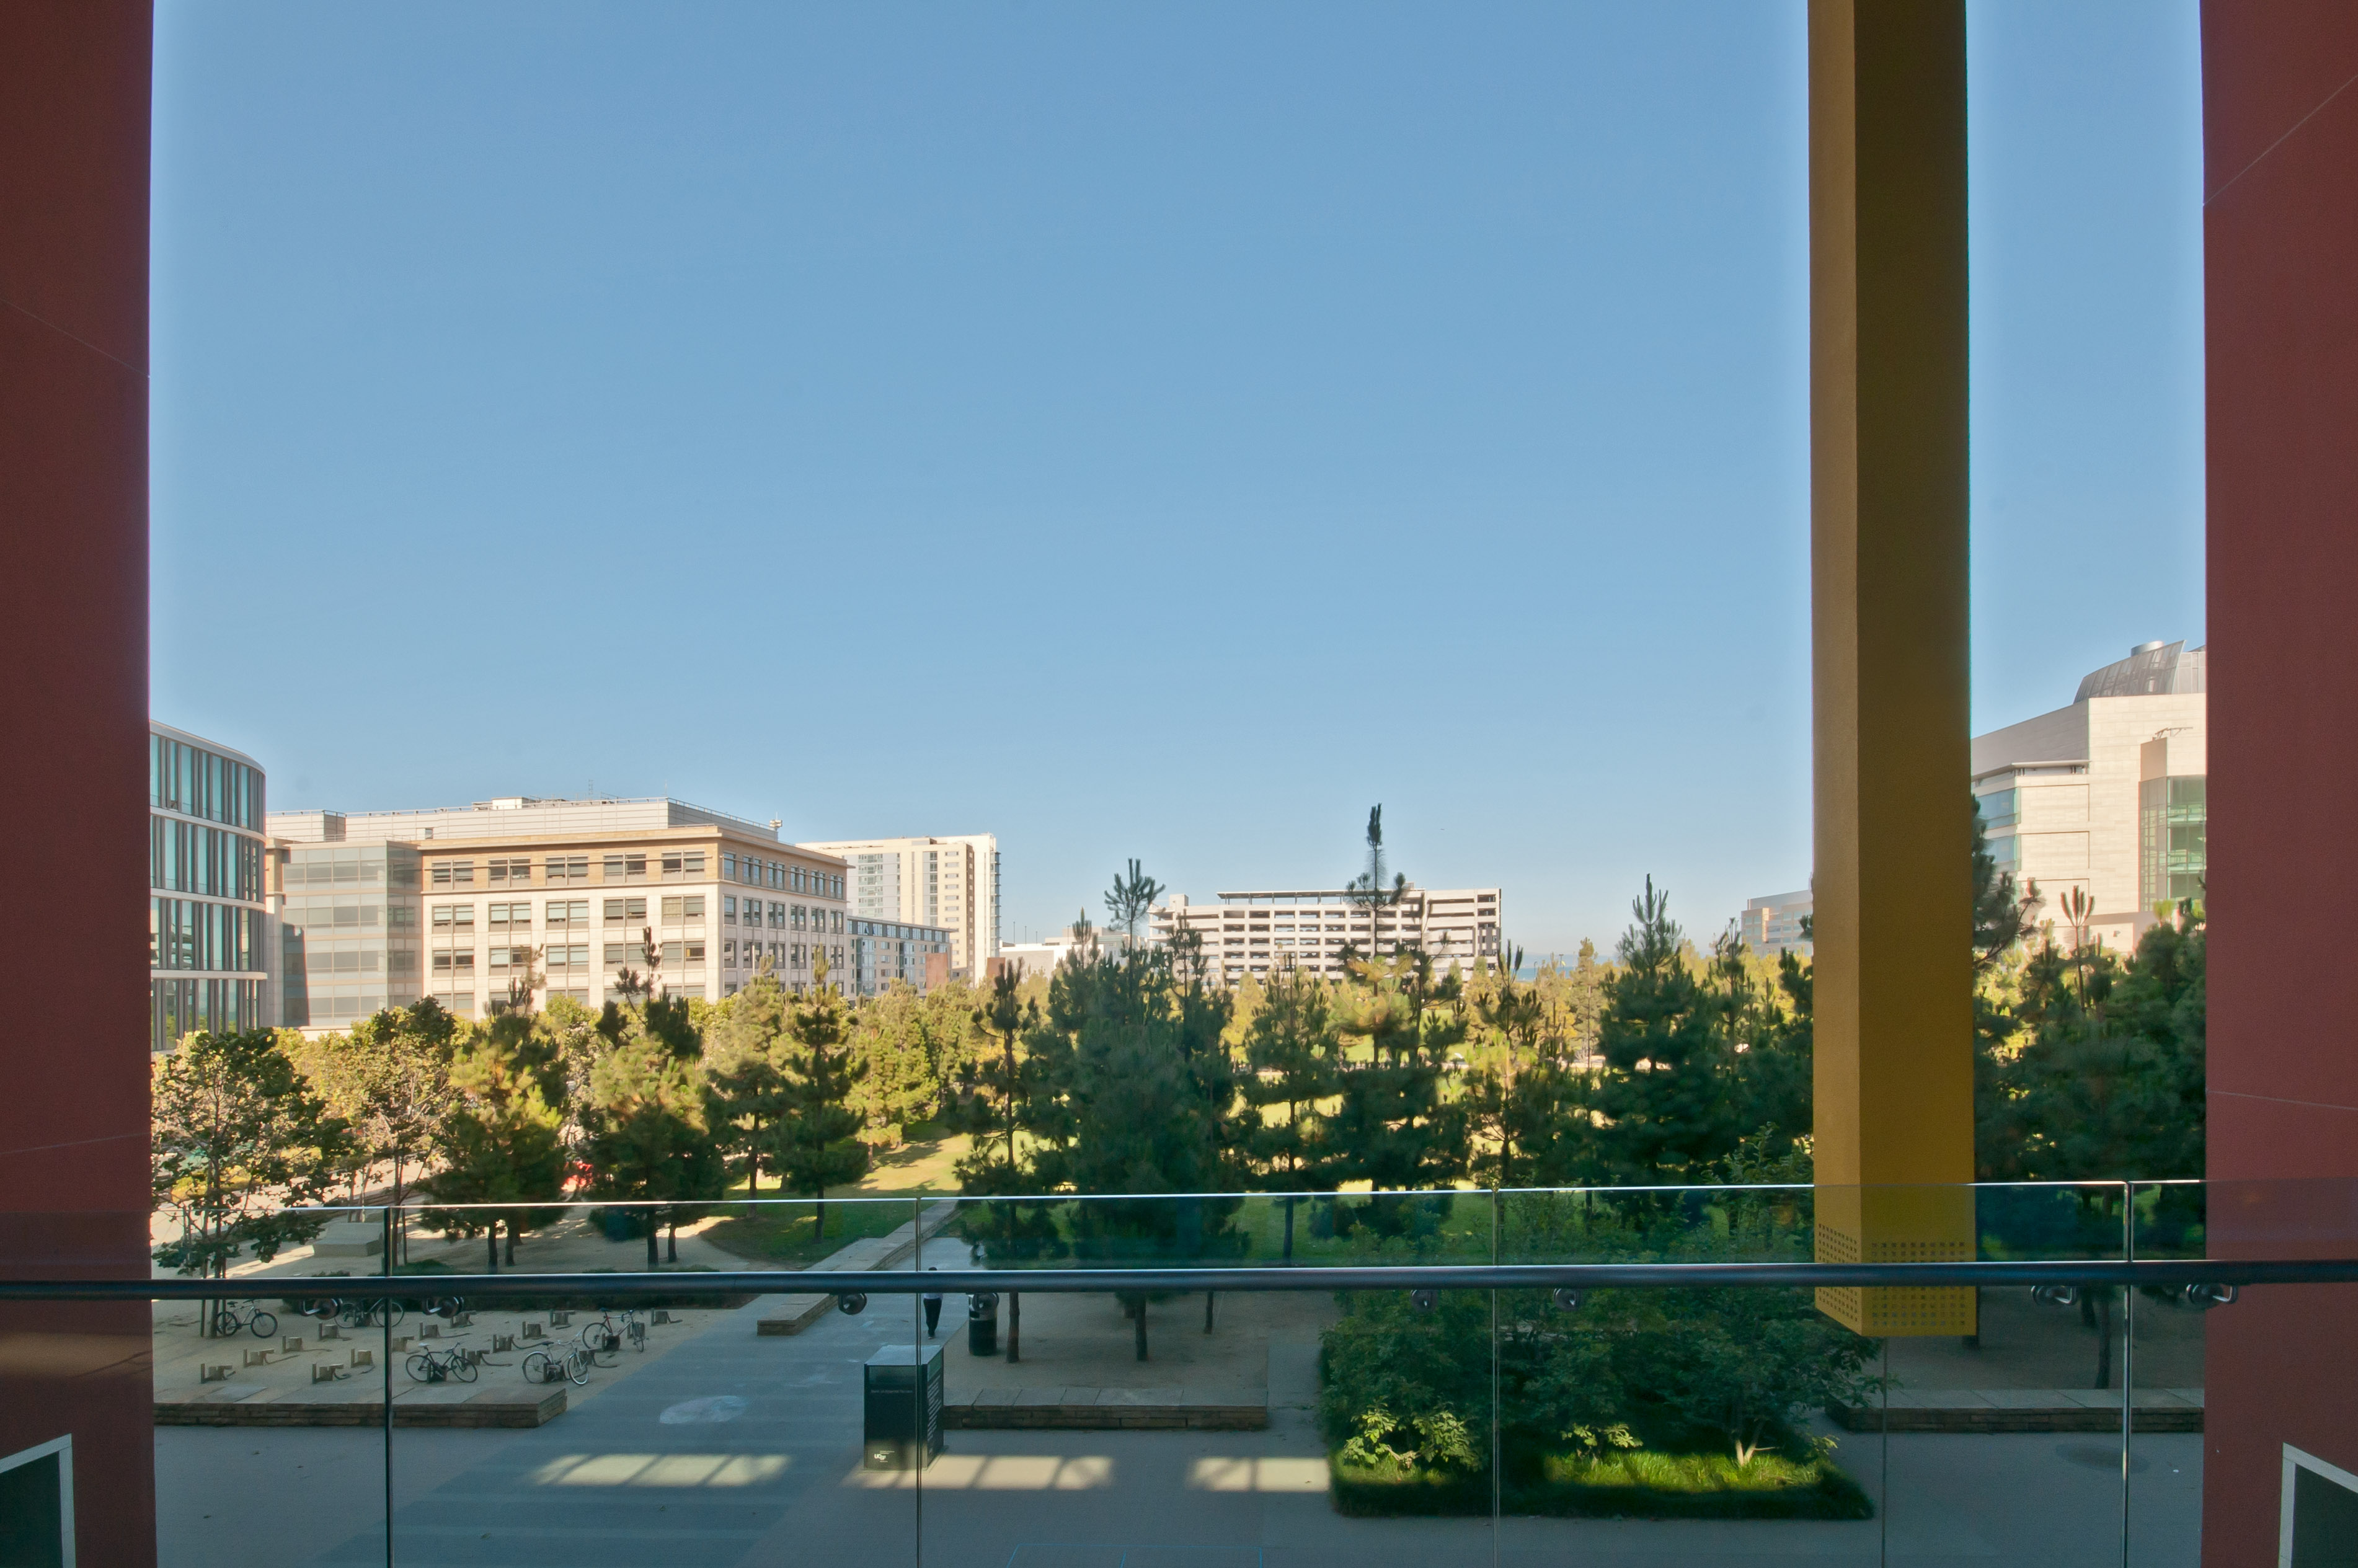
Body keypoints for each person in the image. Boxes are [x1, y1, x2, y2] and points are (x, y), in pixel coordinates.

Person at [922, 1267, 943, 1338]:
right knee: (935, 1316)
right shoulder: (938, 1280)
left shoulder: (925, 1280)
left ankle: (930, 1330)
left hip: (927, 1299)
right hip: (936, 1299)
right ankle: (931, 1332)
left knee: (929, 1315)